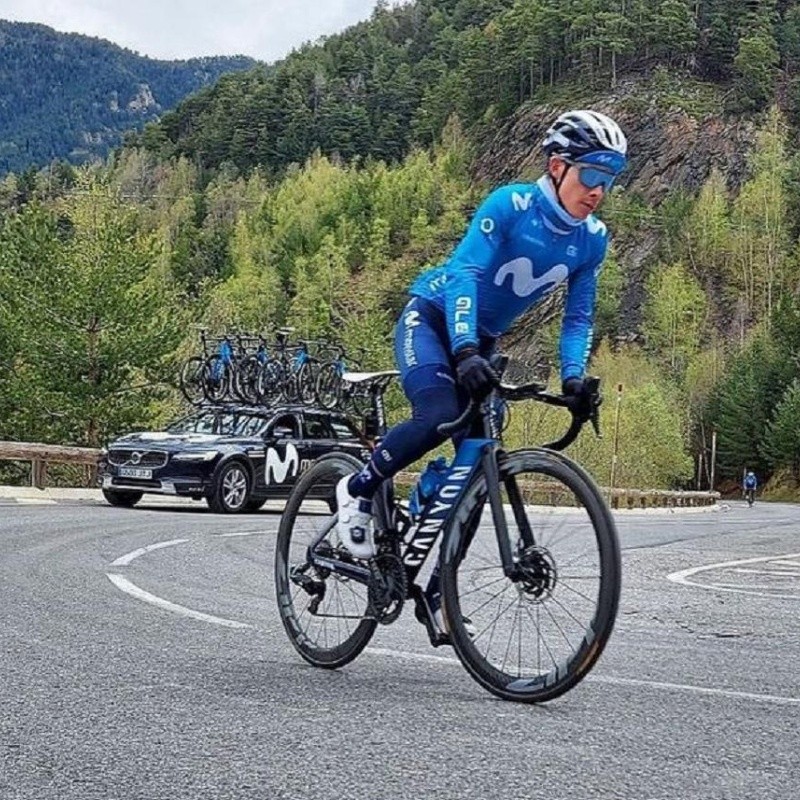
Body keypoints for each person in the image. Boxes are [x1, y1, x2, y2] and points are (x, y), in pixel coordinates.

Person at [336, 108, 628, 632]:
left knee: (478, 459)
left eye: (609, 181)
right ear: (558, 167)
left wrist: (574, 378)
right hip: (432, 317)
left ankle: (440, 589)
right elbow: (466, 273)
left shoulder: (592, 240)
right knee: (438, 412)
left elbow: (579, 314)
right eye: (591, 176)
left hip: (480, 340)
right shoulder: (511, 205)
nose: (599, 191)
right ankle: (356, 491)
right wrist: (466, 349)